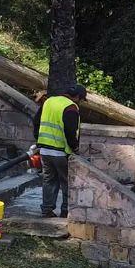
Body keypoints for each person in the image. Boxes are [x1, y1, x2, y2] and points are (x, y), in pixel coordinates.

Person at [32, 84, 88, 218]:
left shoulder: (49, 101)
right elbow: (70, 131)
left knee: (48, 180)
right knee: (66, 182)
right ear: (78, 97)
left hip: (45, 150)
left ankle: (47, 210)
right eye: (81, 99)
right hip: (61, 152)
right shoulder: (70, 107)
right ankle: (66, 211)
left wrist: (39, 139)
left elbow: (36, 121)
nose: (80, 102)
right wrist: (74, 147)